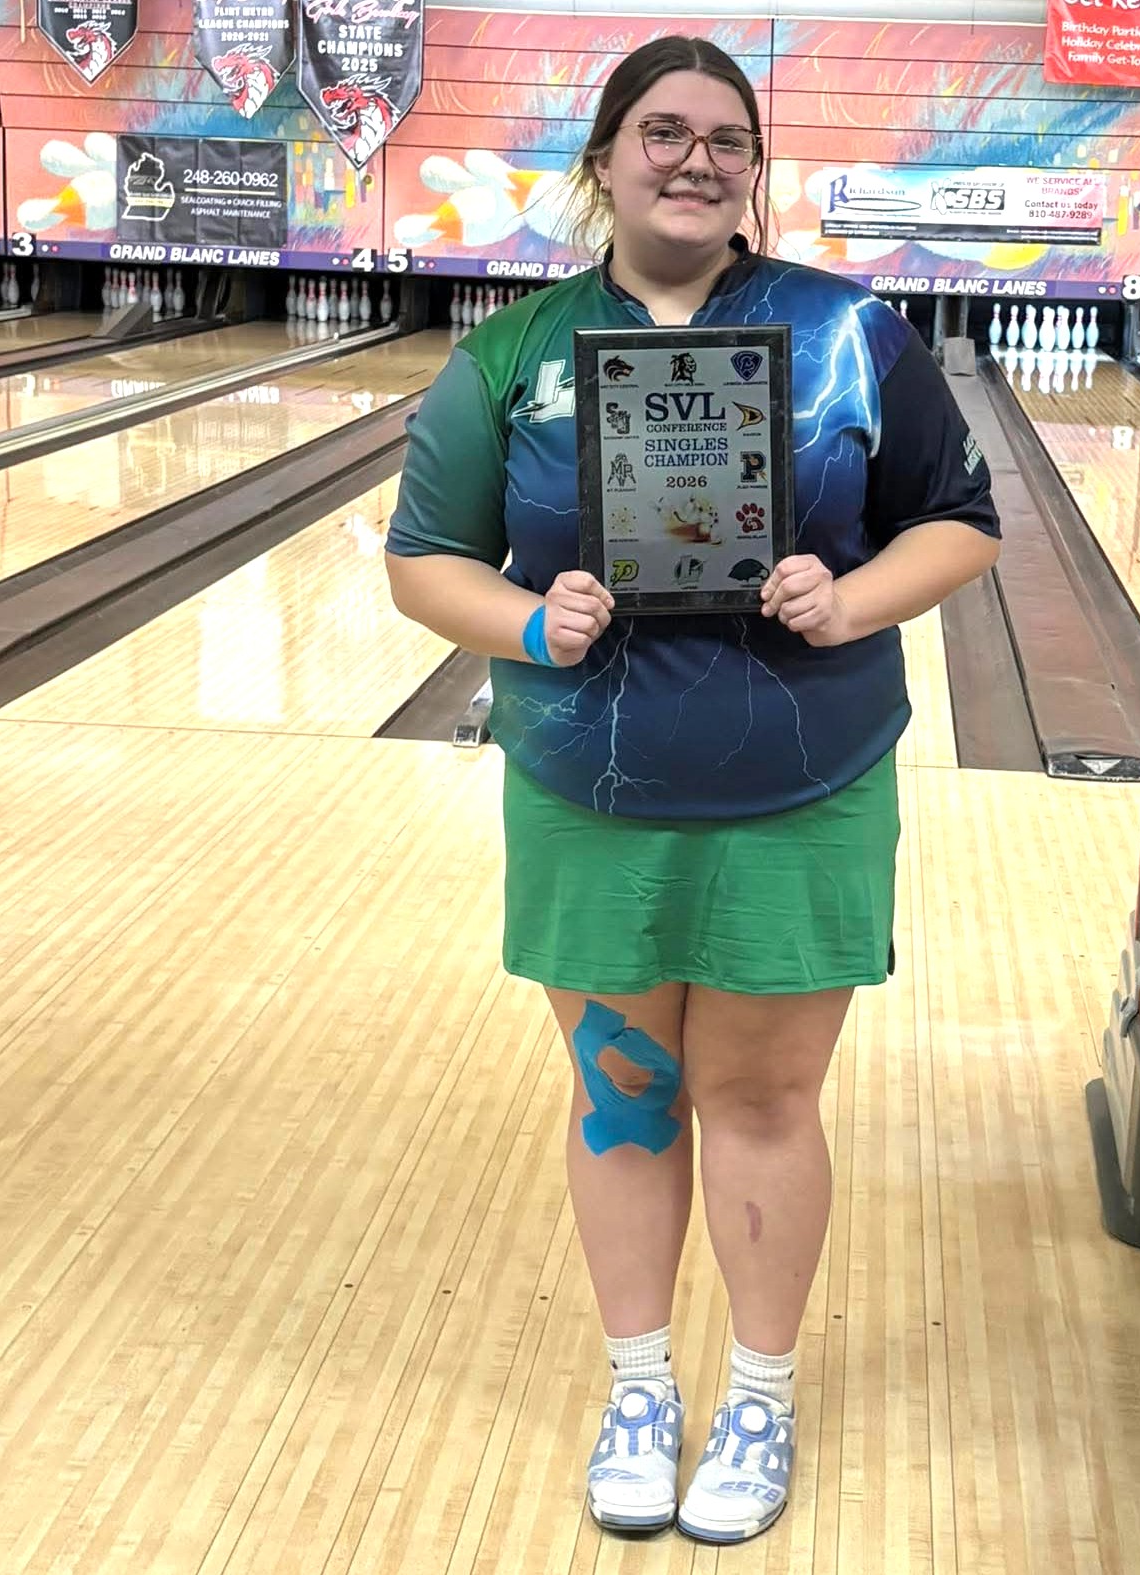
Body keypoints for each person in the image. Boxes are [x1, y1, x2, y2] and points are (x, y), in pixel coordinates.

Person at [384, 34, 1001, 1545]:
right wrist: (530, 625)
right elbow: (424, 560)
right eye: (664, 132)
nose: (697, 161)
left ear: (754, 172)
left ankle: (761, 1396)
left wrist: (850, 600)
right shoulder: (512, 354)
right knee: (626, 1090)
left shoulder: (853, 334)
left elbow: (961, 519)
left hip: (805, 778)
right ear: (605, 158)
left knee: (764, 1098)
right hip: (586, 781)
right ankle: (642, 1387)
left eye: (729, 140)